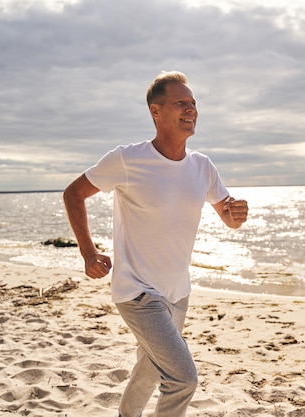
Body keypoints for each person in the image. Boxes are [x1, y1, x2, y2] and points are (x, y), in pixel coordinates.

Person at [63, 71, 248, 417]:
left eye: (194, 103)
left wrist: (236, 212)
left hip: (178, 292)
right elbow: (74, 193)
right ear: (156, 111)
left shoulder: (202, 166)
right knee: (182, 379)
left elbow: (229, 216)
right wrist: (88, 253)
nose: (191, 109)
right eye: (181, 102)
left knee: (150, 367)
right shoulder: (127, 160)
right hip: (137, 292)